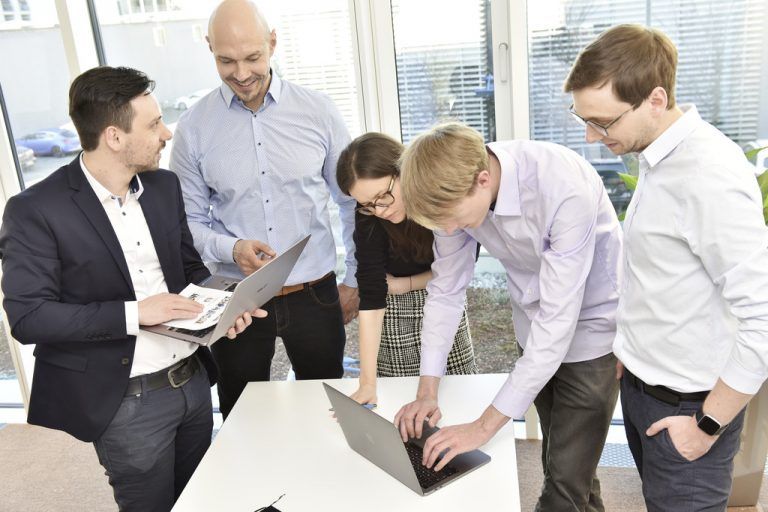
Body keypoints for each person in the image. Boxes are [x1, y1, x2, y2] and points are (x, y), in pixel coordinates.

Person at [0, 66, 262, 512]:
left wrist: (222, 309)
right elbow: (28, 317)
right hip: (126, 402)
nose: (166, 133)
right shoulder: (35, 210)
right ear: (114, 137)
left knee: (203, 499)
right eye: (154, 123)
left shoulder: (163, 187)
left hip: (193, 382)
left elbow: (190, 271)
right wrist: (135, 312)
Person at [564, 24, 768, 510]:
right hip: (643, 389)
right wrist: (630, 348)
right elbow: (661, 272)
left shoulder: (708, 175)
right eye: (583, 120)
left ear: (655, 99)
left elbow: (763, 316)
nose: (593, 136)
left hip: (692, 407)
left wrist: (708, 426)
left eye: (604, 122)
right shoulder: (658, 157)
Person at [394, 122, 623, 511]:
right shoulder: (453, 193)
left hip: (593, 330)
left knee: (563, 486)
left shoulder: (562, 186)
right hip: (533, 323)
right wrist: (426, 391)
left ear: (483, 180)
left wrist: (481, 428)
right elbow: (446, 291)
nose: (449, 230)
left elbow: (558, 320)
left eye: (453, 219)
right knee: (565, 460)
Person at [170, 0, 359, 418]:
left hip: (316, 293)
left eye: (253, 57)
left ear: (272, 43)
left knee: (329, 410)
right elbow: (187, 224)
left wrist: (355, 279)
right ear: (209, 49)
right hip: (236, 300)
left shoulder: (319, 111)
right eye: (226, 60)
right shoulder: (194, 128)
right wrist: (231, 246)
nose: (241, 73)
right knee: (242, 415)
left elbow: (352, 202)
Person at [335, 132, 477, 405]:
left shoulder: (438, 194)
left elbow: (458, 268)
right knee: (399, 399)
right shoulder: (369, 213)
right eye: (366, 204)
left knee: (457, 395)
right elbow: (373, 296)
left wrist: (408, 283)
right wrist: (367, 383)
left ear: (403, 170)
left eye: (383, 196)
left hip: (442, 295)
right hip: (393, 310)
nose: (379, 210)